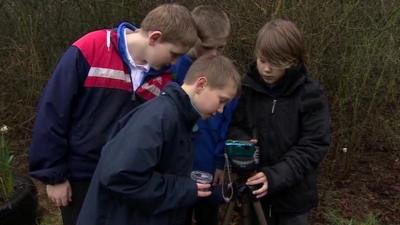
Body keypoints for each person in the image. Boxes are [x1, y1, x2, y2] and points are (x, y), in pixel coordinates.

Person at [28, 3, 197, 225]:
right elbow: (54, 110)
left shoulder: (163, 79)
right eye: (174, 54)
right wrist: (54, 175)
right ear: (155, 38)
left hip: (125, 179)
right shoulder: (92, 48)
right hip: (81, 176)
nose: (175, 62)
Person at [76, 55, 241, 225]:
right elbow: (120, 176)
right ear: (201, 84)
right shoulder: (158, 118)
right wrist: (185, 190)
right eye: (221, 101)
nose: (221, 110)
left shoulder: (183, 121)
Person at [228, 19, 331, 225]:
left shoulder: (310, 94)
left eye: (275, 63)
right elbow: (235, 125)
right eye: (262, 60)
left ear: (292, 60)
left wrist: (275, 176)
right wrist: (243, 144)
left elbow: (313, 145)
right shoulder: (247, 89)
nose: (267, 69)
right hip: (254, 191)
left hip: (294, 199)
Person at [172, 6, 235, 225]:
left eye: (221, 47)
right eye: (208, 47)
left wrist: (219, 161)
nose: (214, 54)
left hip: (208, 167)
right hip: (178, 169)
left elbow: (227, 120)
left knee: (208, 216)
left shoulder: (224, 75)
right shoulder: (175, 69)